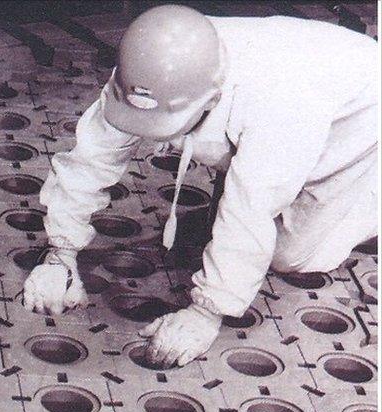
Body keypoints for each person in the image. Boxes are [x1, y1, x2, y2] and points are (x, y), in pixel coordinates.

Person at [23, 4, 379, 367]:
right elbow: (91, 157)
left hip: (360, 114)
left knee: (291, 256)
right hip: (278, 108)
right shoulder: (153, 61)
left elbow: (250, 209)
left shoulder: (281, 109)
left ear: (210, 101)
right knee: (235, 217)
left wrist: (206, 312)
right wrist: (60, 253)